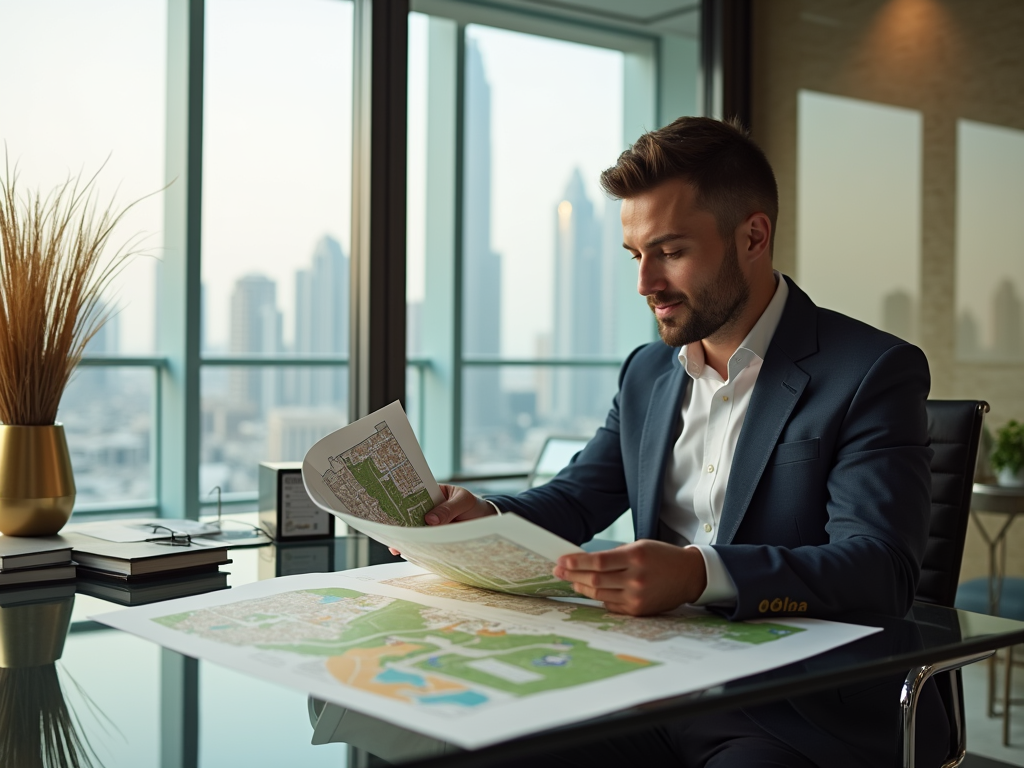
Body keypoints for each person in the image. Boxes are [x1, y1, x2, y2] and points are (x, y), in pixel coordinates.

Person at [417, 117, 946, 767]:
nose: (645, 284)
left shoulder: (869, 372)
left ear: (753, 235)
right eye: (635, 256)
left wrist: (699, 574)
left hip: (790, 709)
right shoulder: (647, 374)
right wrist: (484, 518)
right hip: (646, 682)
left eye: (669, 252)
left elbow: (879, 569)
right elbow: (579, 497)